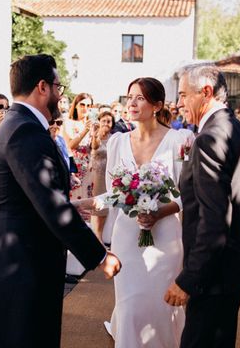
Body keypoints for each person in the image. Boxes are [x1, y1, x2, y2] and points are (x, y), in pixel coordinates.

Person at [0, 54, 120, 348]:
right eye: (58, 86)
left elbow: (26, 198)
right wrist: (99, 255)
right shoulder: (25, 130)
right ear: (42, 87)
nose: (61, 94)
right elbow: (48, 203)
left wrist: (72, 207)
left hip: (16, 254)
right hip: (24, 262)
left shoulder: (15, 124)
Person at [78, 77, 192, 348]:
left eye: (140, 98)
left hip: (165, 238)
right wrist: (85, 203)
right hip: (127, 238)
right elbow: (115, 194)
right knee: (129, 308)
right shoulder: (117, 142)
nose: (132, 103)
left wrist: (159, 213)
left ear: (157, 105)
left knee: (163, 309)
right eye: (130, 97)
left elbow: (188, 194)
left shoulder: (180, 140)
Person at [165, 65, 240, 348]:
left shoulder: (208, 139)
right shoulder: (239, 130)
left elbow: (213, 221)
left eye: (184, 95)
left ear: (206, 92)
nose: (179, 103)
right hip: (231, 270)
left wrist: (188, 279)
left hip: (211, 276)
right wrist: (230, 207)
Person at [63, 93, 95, 200]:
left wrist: (96, 134)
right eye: (82, 105)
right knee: (75, 201)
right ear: (76, 105)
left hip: (89, 167)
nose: (85, 108)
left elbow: (93, 147)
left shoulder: (91, 124)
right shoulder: (69, 122)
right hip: (75, 166)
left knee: (87, 202)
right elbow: (70, 145)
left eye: (88, 106)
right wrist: (85, 130)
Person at [89, 110, 114, 241]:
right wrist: (94, 135)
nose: (106, 123)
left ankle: (100, 237)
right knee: (97, 207)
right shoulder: (95, 136)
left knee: (106, 207)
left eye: (109, 121)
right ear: (99, 121)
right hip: (96, 175)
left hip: (108, 175)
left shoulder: (114, 138)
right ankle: (97, 238)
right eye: (103, 120)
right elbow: (94, 146)